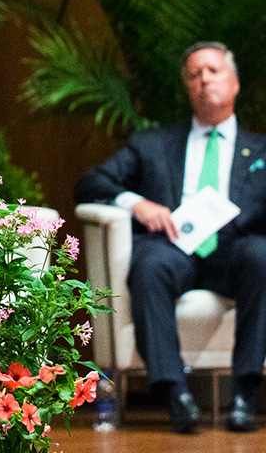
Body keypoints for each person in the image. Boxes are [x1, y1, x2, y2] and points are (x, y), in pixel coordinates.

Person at [75, 42, 266, 434]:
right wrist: (136, 203)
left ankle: (245, 392)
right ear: (186, 88)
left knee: (262, 257)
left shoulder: (261, 150)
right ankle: (176, 394)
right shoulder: (153, 144)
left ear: (235, 84)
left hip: (236, 252)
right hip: (174, 248)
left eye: (213, 71)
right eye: (194, 75)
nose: (203, 80)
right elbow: (90, 182)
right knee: (148, 266)